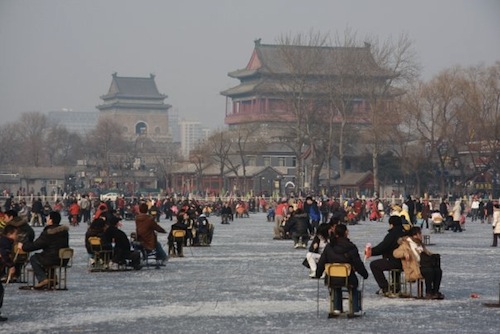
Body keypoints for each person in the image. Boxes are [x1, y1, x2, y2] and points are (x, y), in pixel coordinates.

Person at [315, 224, 369, 315]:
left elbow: (322, 262)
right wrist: (364, 274)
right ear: (346, 233)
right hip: (348, 278)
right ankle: (355, 309)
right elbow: (358, 263)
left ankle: (337, 308)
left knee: (336, 284)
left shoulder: (329, 247)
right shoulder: (351, 247)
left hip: (331, 278)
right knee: (353, 287)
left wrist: (318, 274)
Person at [18, 211, 69, 289]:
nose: (46, 219)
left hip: (52, 258)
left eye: (48, 218)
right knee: (46, 256)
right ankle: (52, 278)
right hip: (63, 258)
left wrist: (23, 247)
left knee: (34, 258)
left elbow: (36, 245)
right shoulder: (64, 232)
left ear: (51, 220)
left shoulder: (49, 233)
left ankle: (43, 279)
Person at [394, 226, 444, 299]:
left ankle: (435, 291)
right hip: (414, 268)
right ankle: (428, 292)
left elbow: (427, 253)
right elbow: (395, 253)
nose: (421, 235)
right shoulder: (406, 244)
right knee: (429, 271)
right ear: (415, 235)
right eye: (420, 233)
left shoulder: (420, 244)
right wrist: (404, 253)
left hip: (424, 265)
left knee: (438, 271)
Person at [365, 215, 406, 297]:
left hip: (395, 261)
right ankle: (396, 286)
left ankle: (385, 287)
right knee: (393, 263)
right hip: (406, 261)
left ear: (391, 224)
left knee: (374, 265)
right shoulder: (404, 233)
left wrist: (371, 252)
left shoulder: (392, 235)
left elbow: (383, 247)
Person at [0, 225, 17, 321]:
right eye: (15, 234)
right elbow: (3, 254)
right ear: (9, 234)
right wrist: (11, 265)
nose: (17, 236)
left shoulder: (5, 241)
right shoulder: (5, 242)